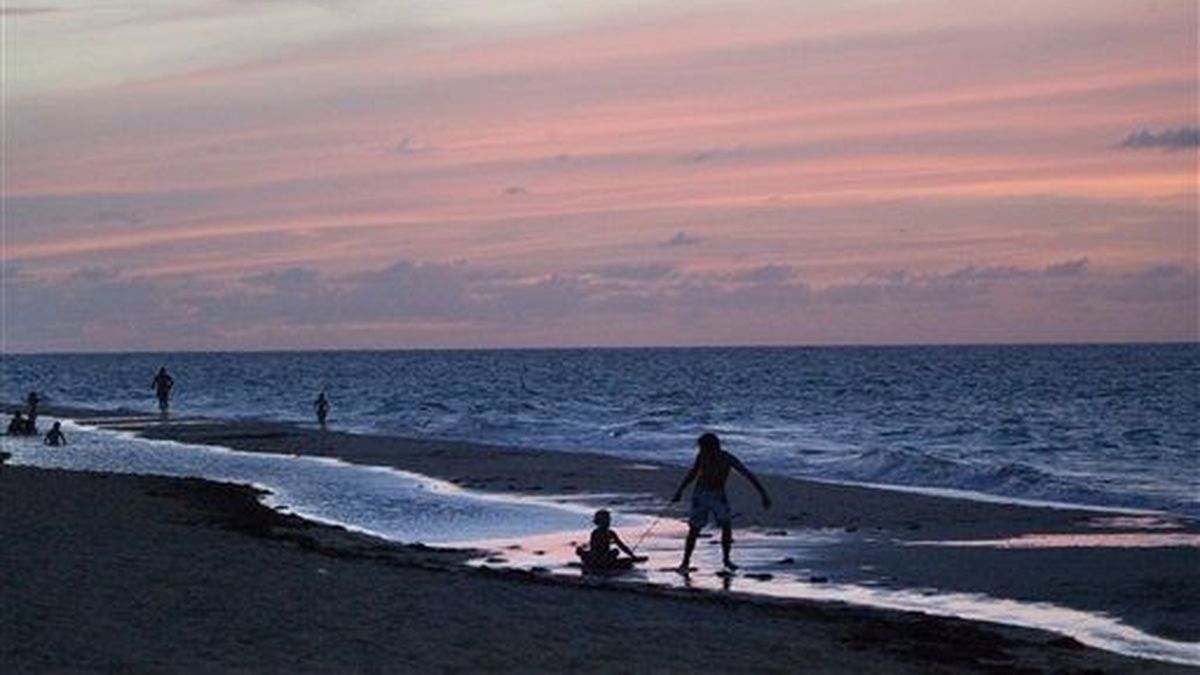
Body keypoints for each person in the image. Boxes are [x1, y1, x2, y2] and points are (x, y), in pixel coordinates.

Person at [671, 432, 772, 573]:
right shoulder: (702, 457)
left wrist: (763, 493)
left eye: (703, 448)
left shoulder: (727, 458)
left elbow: (747, 474)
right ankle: (685, 562)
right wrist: (679, 491)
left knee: (726, 526)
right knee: (694, 529)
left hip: (718, 495)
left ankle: (726, 560)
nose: (701, 450)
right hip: (700, 494)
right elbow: (693, 473)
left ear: (711, 447)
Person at [575, 509, 640, 571]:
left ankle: (598, 562)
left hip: (602, 557)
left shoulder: (609, 533)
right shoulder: (597, 533)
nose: (608, 522)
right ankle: (600, 563)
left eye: (608, 520)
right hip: (601, 558)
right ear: (599, 522)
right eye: (606, 520)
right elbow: (594, 548)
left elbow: (621, 545)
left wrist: (632, 555)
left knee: (615, 551)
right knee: (614, 552)